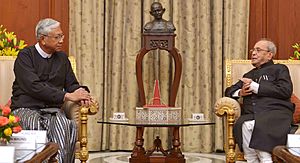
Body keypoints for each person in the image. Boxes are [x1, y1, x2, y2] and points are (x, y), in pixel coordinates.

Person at [11, 18, 91, 163]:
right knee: (35, 125)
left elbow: (71, 84)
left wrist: (81, 92)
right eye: (57, 37)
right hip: (25, 108)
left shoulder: (62, 58)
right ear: (43, 39)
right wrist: (67, 95)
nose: (61, 40)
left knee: (66, 126)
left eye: (62, 36)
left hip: (52, 109)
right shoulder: (25, 56)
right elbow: (33, 86)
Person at [225, 38, 294, 162]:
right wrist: (241, 92)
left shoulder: (280, 69)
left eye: (258, 50)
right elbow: (228, 91)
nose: (253, 53)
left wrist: (255, 87)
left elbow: (285, 91)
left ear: (269, 55)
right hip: (252, 115)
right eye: (253, 50)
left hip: (275, 113)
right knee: (244, 124)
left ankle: (265, 159)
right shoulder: (248, 75)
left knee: (253, 125)